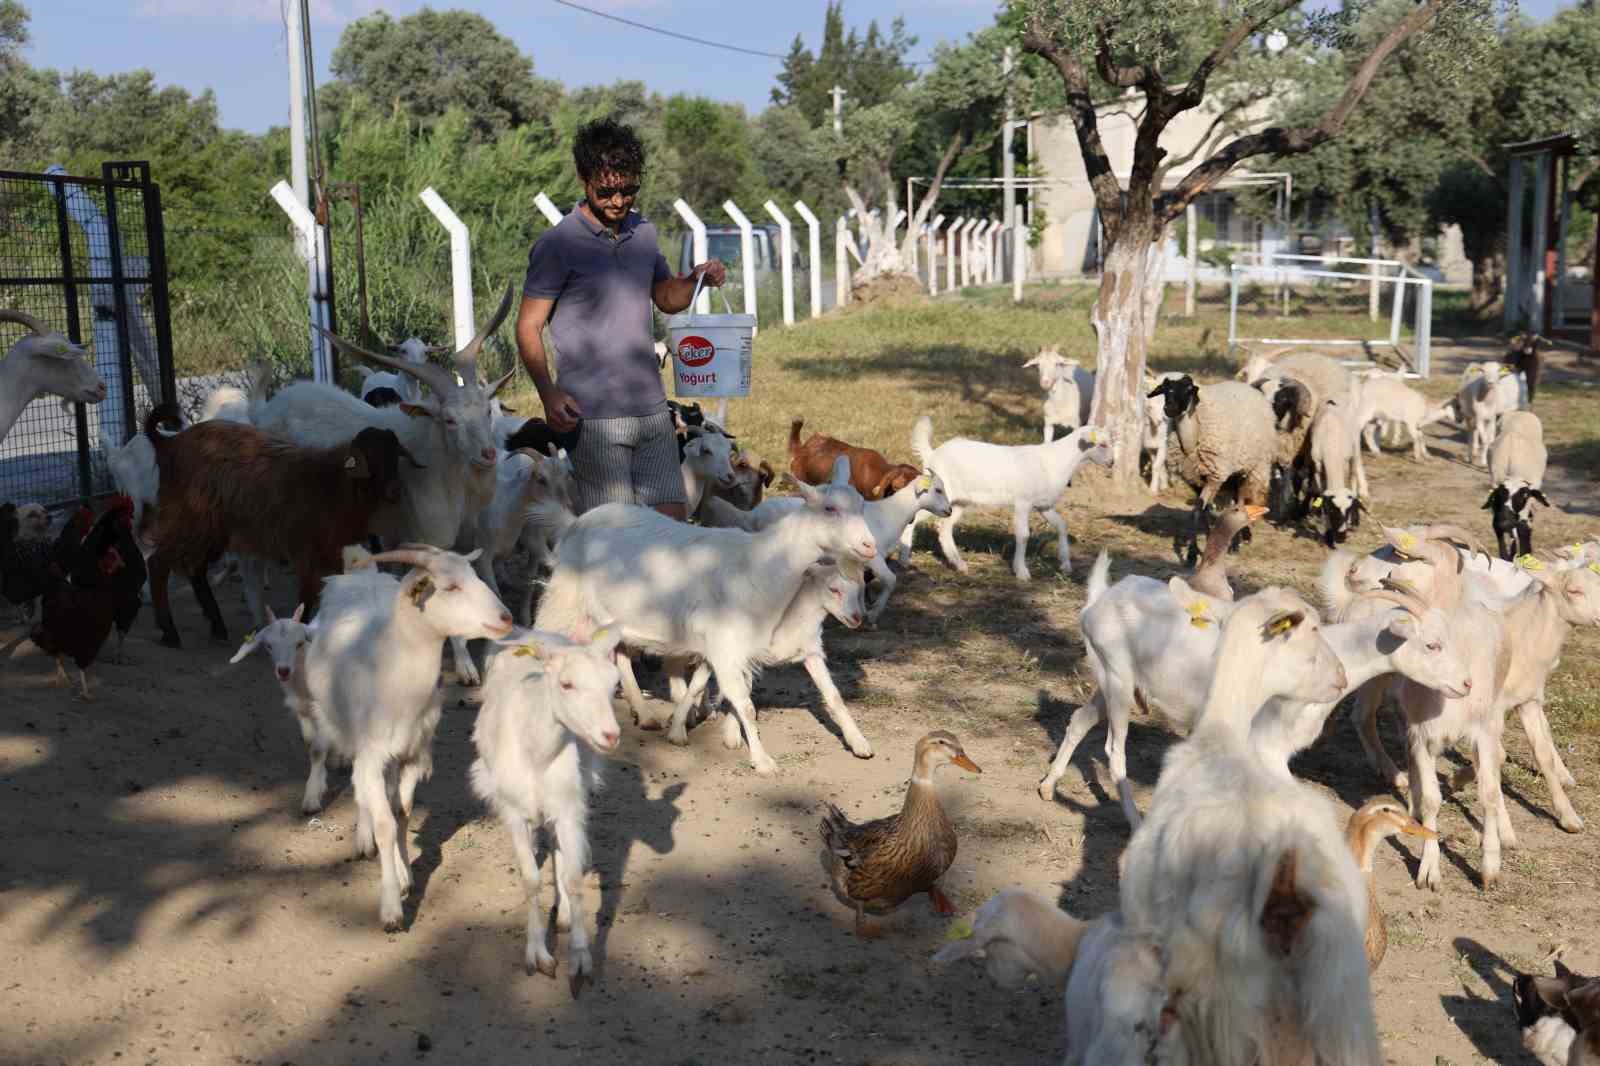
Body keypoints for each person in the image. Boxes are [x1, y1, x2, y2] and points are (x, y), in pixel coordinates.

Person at [516, 117, 726, 520]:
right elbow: (527, 326)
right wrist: (549, 394)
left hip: (651, 410)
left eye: (628, 190)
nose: (618, 200)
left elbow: (666, 297)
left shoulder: (644, 233)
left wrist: (697, 279)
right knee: (617, 539)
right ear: (583, 179)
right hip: (592, 419)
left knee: (672, 530)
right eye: (606, 190)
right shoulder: (557, 245)